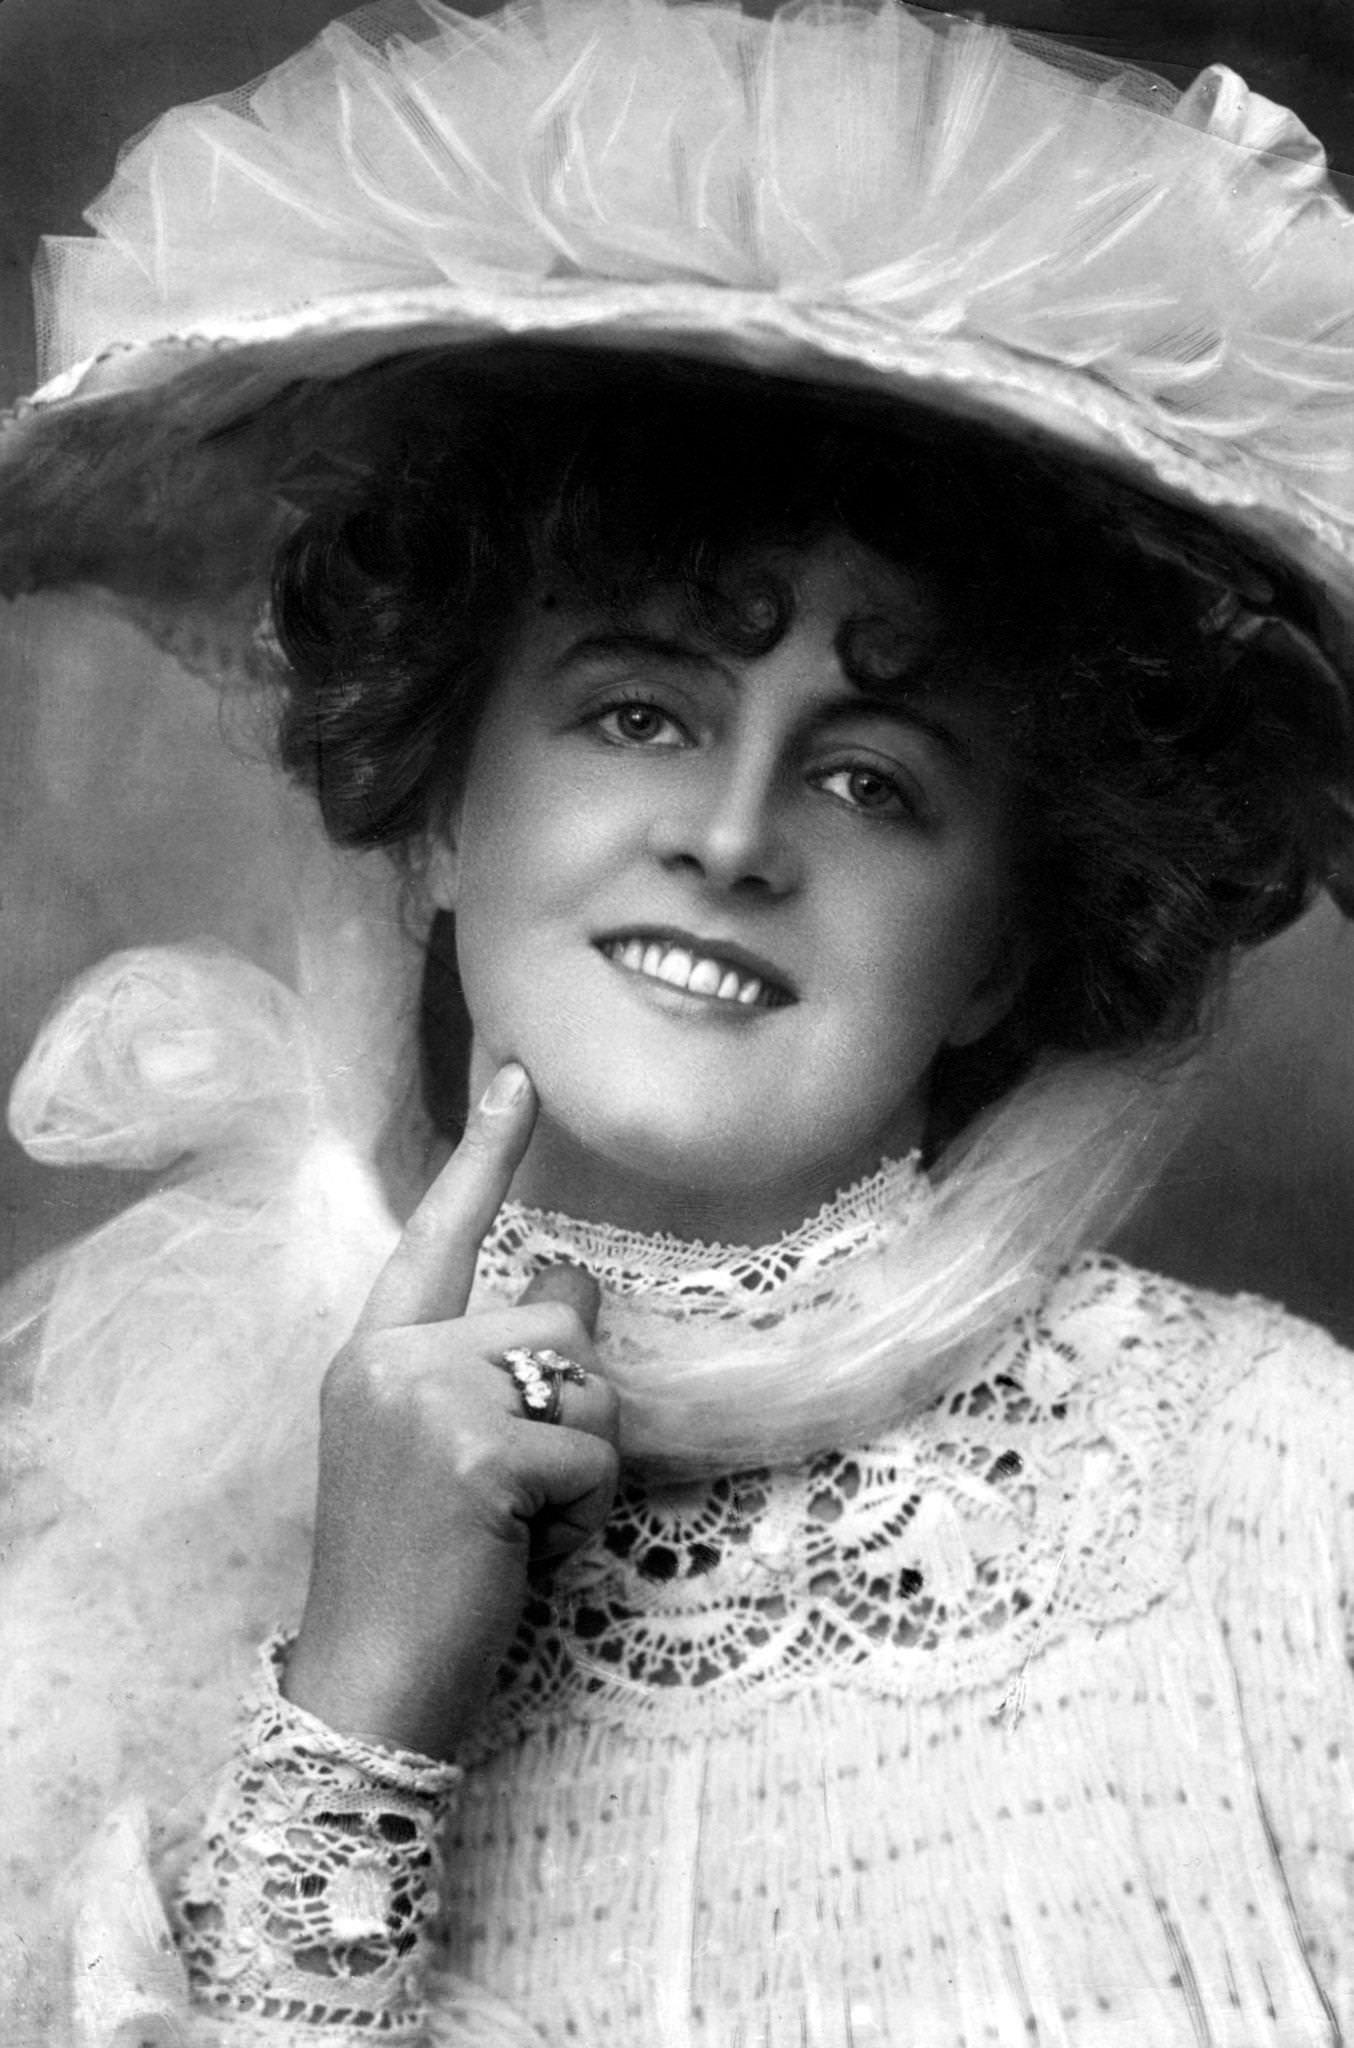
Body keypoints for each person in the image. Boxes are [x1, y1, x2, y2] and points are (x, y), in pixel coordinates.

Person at [4, 2, 1354, 2043]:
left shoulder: (1276, 1490)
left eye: (870, 779)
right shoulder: (150, 1499)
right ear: (435, 804)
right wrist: (361, 1696)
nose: (729, 837)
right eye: (639, 712)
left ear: (1006, 942)